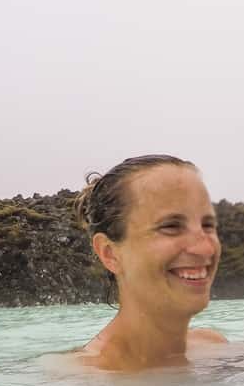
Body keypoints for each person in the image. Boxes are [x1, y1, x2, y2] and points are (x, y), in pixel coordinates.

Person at [72, 154, 226, 371]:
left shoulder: (214, 348)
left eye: (208, 225)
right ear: (110, 254)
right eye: (171, 226)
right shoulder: (83, 379)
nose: (205, 248)